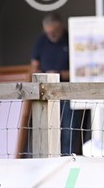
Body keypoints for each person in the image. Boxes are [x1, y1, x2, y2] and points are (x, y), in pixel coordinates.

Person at [30, 12, 73, 155]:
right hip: (46, 91)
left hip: (67, 91)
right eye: (48, 32)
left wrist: (58, 74)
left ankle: (68, 157)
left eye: (54, 32)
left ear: (61, 26)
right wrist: (43, 75)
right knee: (46, 126)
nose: (51, 35)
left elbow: (78, 70)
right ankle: (47, 156)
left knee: (68, 128)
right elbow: (34, 65)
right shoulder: (41, 40)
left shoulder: (70, 39)